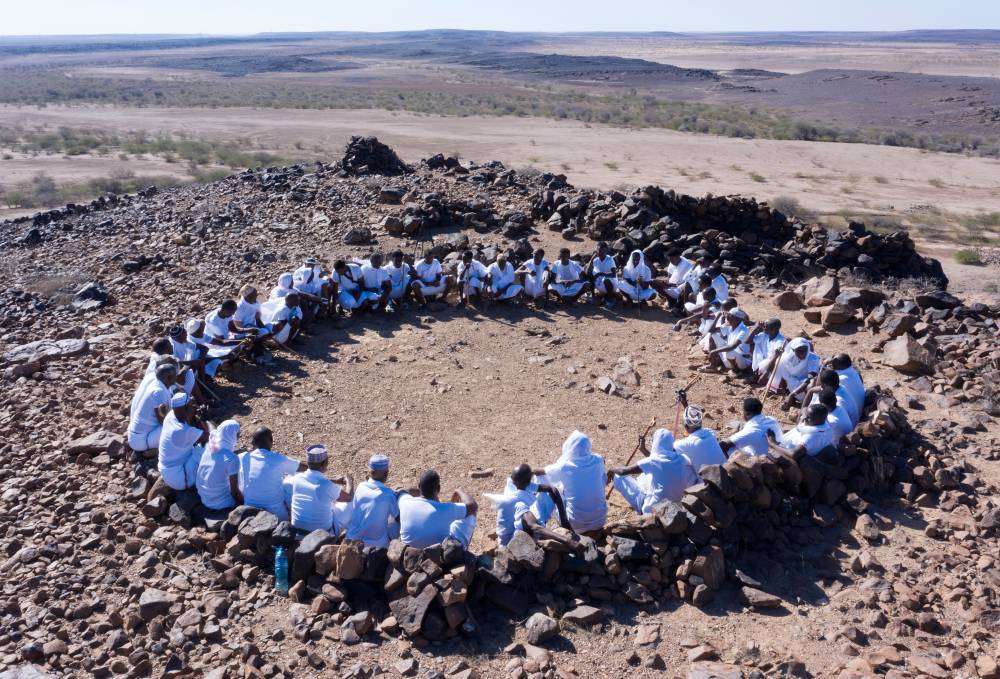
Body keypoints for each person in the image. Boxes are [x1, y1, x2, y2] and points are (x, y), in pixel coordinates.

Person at [485, 464, 577, 548]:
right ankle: (537, 541)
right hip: (510, 541)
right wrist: (566, 540)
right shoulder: (518, 501)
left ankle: (541, 533)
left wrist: (564, 519)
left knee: (547, 495)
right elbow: (534, 526)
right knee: (533, 525)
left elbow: (552, 489)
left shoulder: (518, 483)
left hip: (521, 520)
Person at [608, 428, 699, 514]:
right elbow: (660, 464)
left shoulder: (653, 462)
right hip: (674, 510)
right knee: (651, 476)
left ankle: (643, 510)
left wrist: (611, 469)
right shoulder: (683, 459)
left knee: (619, 476)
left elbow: (624, 471)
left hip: (652, 510)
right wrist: (643, 450)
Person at [540, 430, 607, 534]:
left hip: (575, 525)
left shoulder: (564, 467)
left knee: (550, 485)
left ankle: (541, 520)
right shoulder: (598, 461)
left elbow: (542, 472)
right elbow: (602, 460)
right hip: (600, 521)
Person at [283, 444, 355, 534]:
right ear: (324, 463)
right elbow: (348, 497)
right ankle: (350, 533)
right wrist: (350, 481)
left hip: (298, 533)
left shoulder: (298, 478)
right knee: (351, 502)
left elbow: (313, 482)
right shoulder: (326, 486)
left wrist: (334, 481)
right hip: (322, 536)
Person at [238, 427, 306, 520]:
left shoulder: (244, 457)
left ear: (254, 443)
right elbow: (304, 468)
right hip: (276, 514)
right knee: (290, 481)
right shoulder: (278, 459)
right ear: (271, 441)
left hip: (249, 511)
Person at [399, 470, 478, 549]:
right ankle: (464, 550)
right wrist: (459, 491)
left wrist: (423, 490)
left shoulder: (405, 502)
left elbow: (404, 491)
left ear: (419, 486)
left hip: (410, 557)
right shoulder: (446, 508)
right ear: (438, 489)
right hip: (439, 558)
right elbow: (473, 506)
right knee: (470, 513)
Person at [345, 454, 402, 548]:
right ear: (386, 473)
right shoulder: (388, 495)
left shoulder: (361, 486)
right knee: (394, 520)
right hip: (376, 546)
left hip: (352, 539)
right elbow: (399, 519)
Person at [157, 392, 210, 491]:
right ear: (185, 408)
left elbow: (187, 422)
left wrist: (192, 415)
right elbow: (210, 436)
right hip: (181, 478)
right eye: (192, 405)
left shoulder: (171, 415)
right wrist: (205, 419)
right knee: (210, 447)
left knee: (199, 445)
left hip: (170, 470)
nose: (194, 407)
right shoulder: (181, 431)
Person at [128, 363, 177, 452]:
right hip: (142, 441)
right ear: (168, 378)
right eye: (175, 375)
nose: (176, 377)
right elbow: (162, 421)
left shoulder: (159, 384)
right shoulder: (159, 392)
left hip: (140, 436)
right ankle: (153, 451)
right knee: (177, 427)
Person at [196, 419, 243, 511]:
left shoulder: (212, 442)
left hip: (204, 497)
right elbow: (234, 492)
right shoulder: (231, 458)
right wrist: (243, 504)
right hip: (220, 503)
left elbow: (212, 430)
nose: (239, 437)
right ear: (232, 436)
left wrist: (206, 419)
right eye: (237, 435)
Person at [767, 404, 835, 460]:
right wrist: (806, 414)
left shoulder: (810, 437)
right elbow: (805, 409)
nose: (805, 418)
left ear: (819, 418)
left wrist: (773, 444)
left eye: (809, 417)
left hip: (788, 453)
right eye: (806, 416)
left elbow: (793, 454)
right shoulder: (825, 424)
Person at [674, 405, 727, 471]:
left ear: (685, 426)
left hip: (708, 480)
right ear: (701, 422)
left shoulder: (682, 445)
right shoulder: (710, 432)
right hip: (726, 475)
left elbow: (671, 449)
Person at [748, 319, 787, 385]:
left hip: (773, 365)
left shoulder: (780, 341)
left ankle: (765, 378)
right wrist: (757, 327)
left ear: (773, 329)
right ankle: (758, 374)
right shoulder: (764, 335)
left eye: (766, 327)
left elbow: (775, 358)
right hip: (763, 363)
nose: (763, 328)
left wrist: (766, 373)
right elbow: (748, 341)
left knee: (768, 361)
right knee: (753, 346)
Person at [828, 353, 865, 418]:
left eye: (833, 361)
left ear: (838, 364)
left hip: (851, 417)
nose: (831, 363)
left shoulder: (841, 379)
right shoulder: (853, 371)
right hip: (858, 412)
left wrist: (823, 366)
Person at [587, 241, 619, 308]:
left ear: (606, 251)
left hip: (611, 284)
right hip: (600, 283)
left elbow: (613, 275)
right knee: (590, 275)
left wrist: (601, 274)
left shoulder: (609, 259)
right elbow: (588, 272)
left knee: (605, 279)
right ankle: (593, 296)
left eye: (602, 251)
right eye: (599, 250)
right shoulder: (595, 260)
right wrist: (592, 259)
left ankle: (610, 299)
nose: (600, 253)